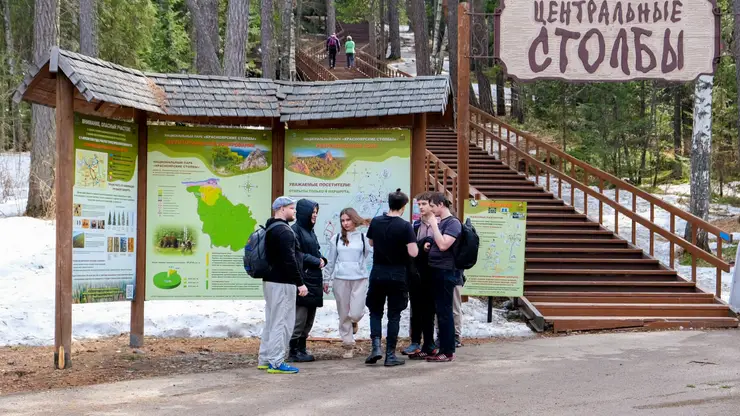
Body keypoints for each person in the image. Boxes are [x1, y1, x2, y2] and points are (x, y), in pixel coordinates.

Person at [365, 189, 419, 367]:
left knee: (375, 311)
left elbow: (371, 242)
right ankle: (390, 355)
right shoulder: (405, 226)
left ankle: (375, 348)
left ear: (389, 204)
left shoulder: (376, 221)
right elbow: (413, 252)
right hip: (397, 274)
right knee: (394, 315)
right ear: (403, 207)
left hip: (378, 273)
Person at [257, 196, 309, 374]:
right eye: (292, 208)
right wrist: (300, 283)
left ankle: (265, 358)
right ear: (281, 209)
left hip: (270, 281)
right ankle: (277, 362)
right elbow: (290, 260)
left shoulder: (271, 227)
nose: (294, 212)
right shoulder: (285, 231)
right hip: (283, 283)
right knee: (282, 322)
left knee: (271, 320)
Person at [323, 208, 372, 358]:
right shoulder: (336, 238)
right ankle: (348, 345)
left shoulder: (364, 238)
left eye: (348, 220)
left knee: (356, 313)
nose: (345, 223)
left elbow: (369, 254)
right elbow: (330, 261)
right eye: (343, 220)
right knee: (343, 314)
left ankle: (354, 321)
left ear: (354, 219)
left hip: (360, 278)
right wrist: (326, 279)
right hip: (341, 279)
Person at [288, 199, 327, 363]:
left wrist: (322, 259)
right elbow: (297, 254)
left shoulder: (309, 231)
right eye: (313, 212)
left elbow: (314, 251)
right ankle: (293, 351)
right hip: (304, 280)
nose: (315, 215)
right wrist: (315, 261)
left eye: (316, 212)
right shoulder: (295, 231)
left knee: (309, 318)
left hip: (313, 280)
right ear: (305, 213)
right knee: (300, 318)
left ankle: (302, 349)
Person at [425, 192, 462, 362]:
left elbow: (444, 245)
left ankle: (447, 351)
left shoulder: (453, 223)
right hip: (437, 271)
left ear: (441, 205)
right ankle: (443, 348)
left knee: (445, 312)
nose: (430, 209)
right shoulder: (443, 223)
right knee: (440, 312)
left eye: (432, 206)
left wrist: (433, 225)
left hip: (446, 272)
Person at [402, 192, 438, 359]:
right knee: (416, 309)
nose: (421, 207)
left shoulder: (440, 224)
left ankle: (429, 342)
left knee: (429, 310)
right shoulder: (415, 226)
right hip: (416, 273)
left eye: (424, 204)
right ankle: (415, 342)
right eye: (419, 204)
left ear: (432, 205)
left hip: (434, 273)